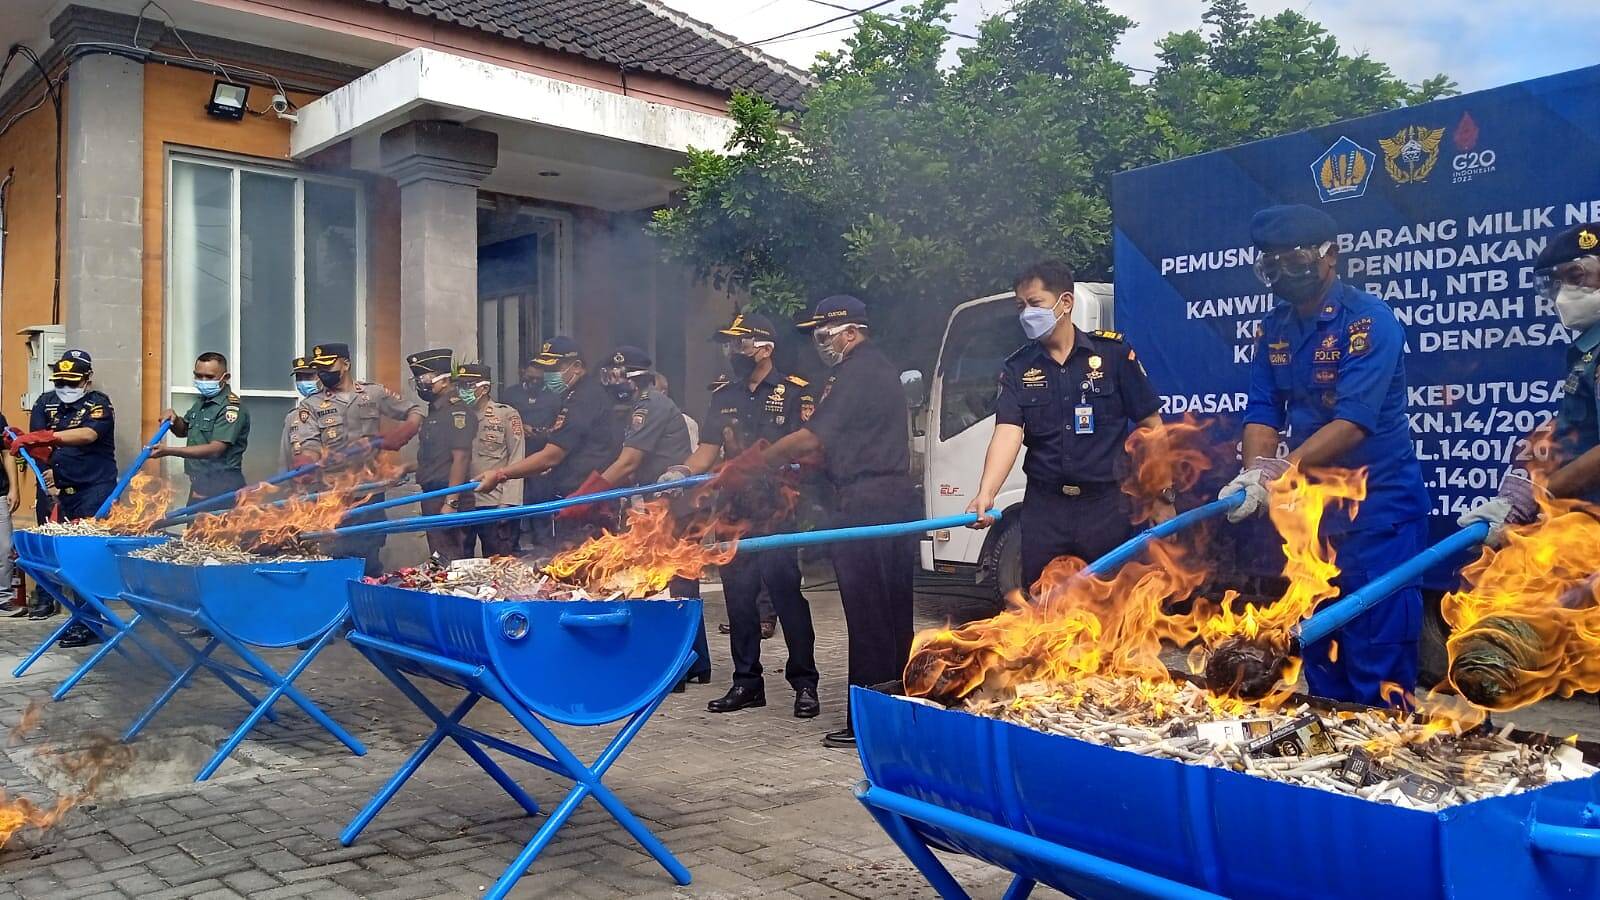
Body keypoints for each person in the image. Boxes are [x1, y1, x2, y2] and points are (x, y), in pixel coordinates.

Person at [1219, 204, 1431, 706]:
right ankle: (1330, 750)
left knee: (1376, 657)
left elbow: (1353, 422)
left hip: (1378, 517)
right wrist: (1254, 474)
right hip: (1313, 518)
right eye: (1270, 264)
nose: (1282, 273)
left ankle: (1382, 751)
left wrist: (1279, 470)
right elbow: (1263, 411)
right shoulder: (1274, 329)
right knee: (1321, 650)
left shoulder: (1369, 322)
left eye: (1293, 259)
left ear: (1329, 255)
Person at [762, 295, 918, 747]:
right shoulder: (868, 370)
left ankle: (868, 722)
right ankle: (895, 711)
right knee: (889, 612)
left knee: (870, 612)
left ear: (851, 332)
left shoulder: (859, 371)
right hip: (883, 499)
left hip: (868, 501)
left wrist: (759, 460)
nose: (819, 342)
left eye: (824, 333)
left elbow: (812, 437)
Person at [967, 260, 1173, 591]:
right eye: (1021, 307)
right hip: (1045, 510)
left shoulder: (1113, 355)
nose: (1027, 314)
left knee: (1109, 606)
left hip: (1106, 507)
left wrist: (1162, 494)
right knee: (1044, 605)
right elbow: (1007, 431)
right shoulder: (1018, 368)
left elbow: (1151, 425)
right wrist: (986, 493)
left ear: (1065, 302)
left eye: (1035, 303)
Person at [662, 312, 820, 718]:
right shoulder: (724, 396)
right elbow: (707, 451)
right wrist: (680, 471)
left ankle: (805, 682)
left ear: (764, 348)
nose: (733, 351)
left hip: (777, 508)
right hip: (733, 511)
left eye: (740, 343)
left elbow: (808, 447)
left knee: (785, 593)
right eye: (730, 344)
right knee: (738, 596)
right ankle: (747, 682)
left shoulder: (794, 391)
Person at [1461, 222, 1600, 537]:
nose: (1564, 294)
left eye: (1577, 277)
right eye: (1557, 284)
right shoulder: (1589, 349)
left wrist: (1538, 496)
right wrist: (1528, 480)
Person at [287, 342, 424, 575]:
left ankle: (369, 592)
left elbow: (415, 411)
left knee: (370, 552)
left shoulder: (373, 394)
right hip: (333, 494)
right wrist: (308, 462)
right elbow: (309, 445)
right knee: (336, 552)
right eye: (319, 368)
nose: (323, 373)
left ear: (346, 364)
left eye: (328, 367)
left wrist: (404, 431)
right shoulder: (310, 405)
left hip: (369, 491)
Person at [11, 350, 118, 636]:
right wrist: (45, 472)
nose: (65, 388)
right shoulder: (45, 403)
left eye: (72, 382)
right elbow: (38, 445)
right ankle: (64, 609)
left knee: (87, 555)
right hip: (57, 490)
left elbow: (88, 435)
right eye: (60, 382)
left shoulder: (99, 404)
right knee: (57, 553)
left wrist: (49, 437)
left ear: (87, 379)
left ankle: (91, 623)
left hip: (94, 490)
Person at [475, 337, 619, 548]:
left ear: (577, 366)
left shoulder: (585, 398)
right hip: (574, 496)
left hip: (587, 499)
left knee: (582, 559)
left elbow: (552, 455)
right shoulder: (572, 395)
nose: (548, 375)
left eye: (554, 369)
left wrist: (500, 474)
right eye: (546, 369)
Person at [450, 362, 524, 557]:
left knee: (498, 560)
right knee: (460, 562)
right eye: (459, 386)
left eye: (467, 386)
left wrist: (508, 504)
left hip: (495, 502)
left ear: (484, 388)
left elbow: (517, 459)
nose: (462, 391)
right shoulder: (456, 417)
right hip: (464, 502)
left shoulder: (505, 415)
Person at [156, 352, 250, 504]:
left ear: (225, 377)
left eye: (209, 377)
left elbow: (215, 449)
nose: (203, 381)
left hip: (223, 486)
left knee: (216, 521)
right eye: (198, 376)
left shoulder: (231, 408)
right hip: (200, 484)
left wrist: (168, 451)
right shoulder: (202, 402)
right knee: (193, 519)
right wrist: (174, 418)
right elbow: (184, 430)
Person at [407, 348, 473, 560]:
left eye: (425, 379)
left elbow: (461, 458)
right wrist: (405, 468)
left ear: (444, 380)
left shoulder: (456, 412)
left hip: (448, 495)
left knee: (452, 560)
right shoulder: (436, 411)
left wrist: (451, 502)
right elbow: (437, 458)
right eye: (419, 380)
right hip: (433, 495)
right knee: (439, 558)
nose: (421, 384)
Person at [281, 356, 321, 470]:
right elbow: (285, 457)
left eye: (308, 377)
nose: (303, 382)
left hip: (329, 477)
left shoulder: (335, 409)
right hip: (300, 478)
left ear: (320, 377)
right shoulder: (292, 416)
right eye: (299, 377)